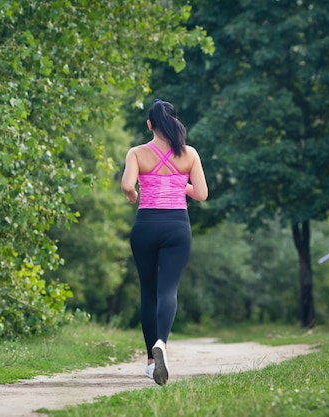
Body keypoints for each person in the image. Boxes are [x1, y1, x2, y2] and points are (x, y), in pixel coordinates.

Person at [121, 98, 209, 386]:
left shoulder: (137, 153)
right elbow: (202, 193)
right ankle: (162, 342)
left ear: (149, 124)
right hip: (176, 227)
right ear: (174, 122)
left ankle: (150, 360)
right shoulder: (190, 154)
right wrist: (176, 182)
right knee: (168, 290)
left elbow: (127, 185)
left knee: (148, 291)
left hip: (146, 226)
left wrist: (133, 196)